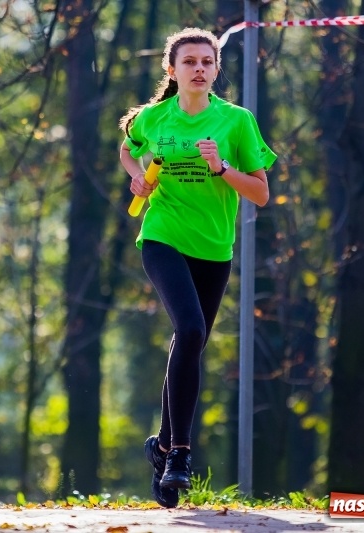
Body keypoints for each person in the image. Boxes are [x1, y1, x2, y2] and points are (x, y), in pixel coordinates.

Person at [118, 27, 276, 508]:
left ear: (216, 69)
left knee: (193, 341)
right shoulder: (154, 117)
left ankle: (162, 444)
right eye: (189, 61)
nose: (199, 69)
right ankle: (179, 456)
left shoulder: (236, 121)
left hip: (214, 248)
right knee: (188, 330)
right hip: (163, 235)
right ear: (172, 70)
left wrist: (223, 169)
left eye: (207, 61)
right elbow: (128, 146)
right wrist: (136, 180)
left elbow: (261, 193)